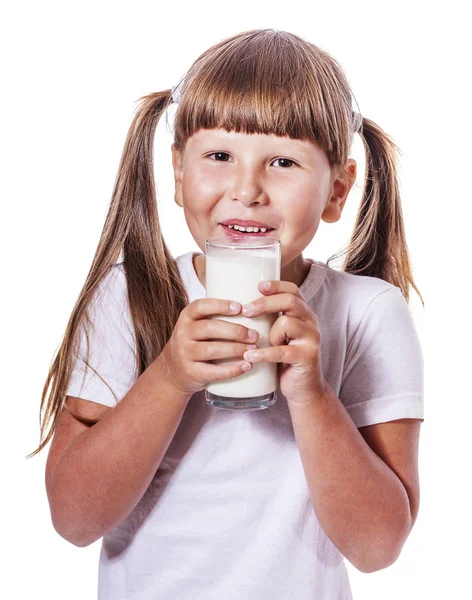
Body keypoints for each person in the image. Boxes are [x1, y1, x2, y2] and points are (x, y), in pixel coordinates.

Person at [29, 28, 425, 600]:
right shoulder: (131, 296)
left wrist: (312, 397)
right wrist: (170, 377)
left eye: (283, 162)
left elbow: (377, 547)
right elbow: (73, 519)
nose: (247, 189)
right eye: (219, 156)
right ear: (178, 173)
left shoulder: (368, 313)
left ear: (337, 191)